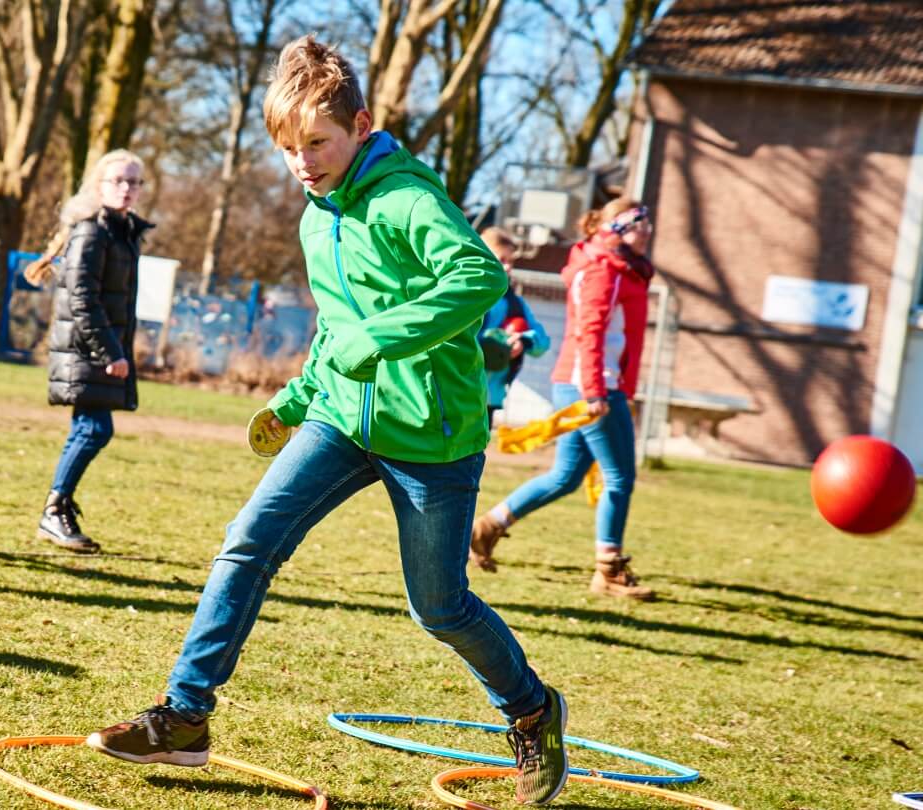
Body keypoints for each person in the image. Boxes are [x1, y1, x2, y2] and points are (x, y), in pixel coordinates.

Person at [86, 37, 569, 806]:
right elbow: (339, 327)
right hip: (342, 420)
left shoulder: (406, 197)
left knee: (438, 606)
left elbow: (479, 277)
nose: (303, 162)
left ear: (361, 127)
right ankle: (184, 716)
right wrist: (299, 395)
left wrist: (382, 339)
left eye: (318, 143)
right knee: (247, 543)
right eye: (288, 149)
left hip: (431, 436)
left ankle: (533, 711)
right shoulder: (318, 218)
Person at [470, 198, 656, 600]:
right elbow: (591, 334)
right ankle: (608, 570)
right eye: (640, 224)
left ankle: (485, 529)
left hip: (593, 383)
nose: (648, 231)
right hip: (593, 386)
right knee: (620, 477)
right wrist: (594, 390)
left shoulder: (621, 269)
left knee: (566, 476)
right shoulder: (603, 269)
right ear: (618, 229)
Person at [23, 149, 151, 554]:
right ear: (99, 186)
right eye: (119, 181)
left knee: (88, 429)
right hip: (86, 351)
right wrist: (110, 352)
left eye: (134, 182)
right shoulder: (92, 232)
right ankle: (54, 508)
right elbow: (82, 300)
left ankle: (57, 509)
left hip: (95, 351)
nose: (127, 189)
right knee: (95, 429)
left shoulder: (121, 231)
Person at [476, 227, 550, 426]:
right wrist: (488, 343)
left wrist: (523, 341)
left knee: (475, 454)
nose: (508, 267)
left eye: (511, 261)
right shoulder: (469, 294)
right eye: (502, 260)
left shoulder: (513, 302)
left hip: (491, 396)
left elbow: (543, 341)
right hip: (460, 393)